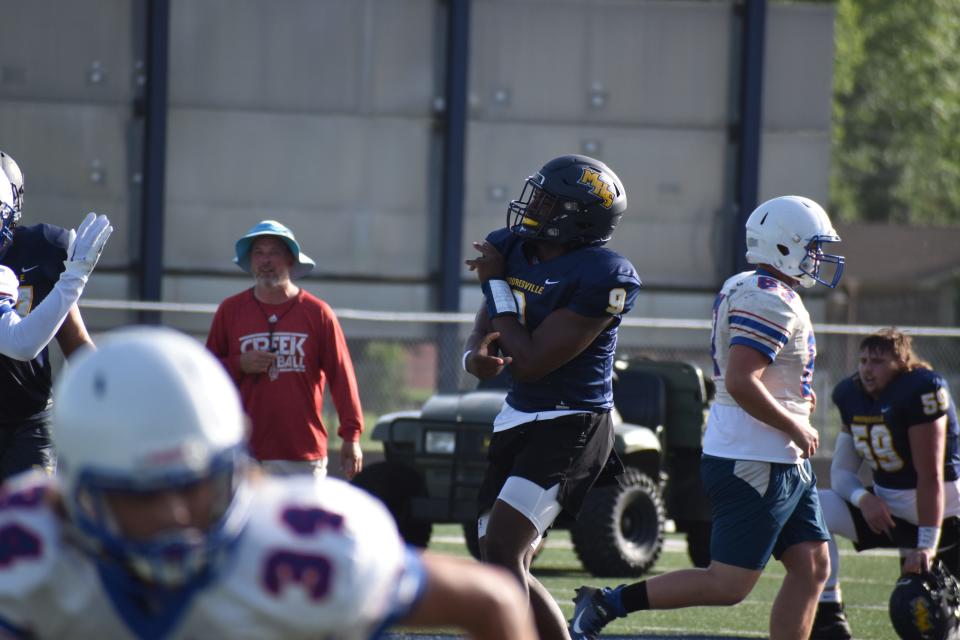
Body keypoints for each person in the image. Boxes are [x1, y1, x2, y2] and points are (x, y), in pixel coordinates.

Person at [0, 327, 539, 640]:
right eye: (138, 493)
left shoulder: (312, 544)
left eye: (192, 485)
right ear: (69, 492)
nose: (174, 515)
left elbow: (491, 601)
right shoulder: (25, 546)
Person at [570, 195, 846, 640]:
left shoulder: (752, 286)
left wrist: (795, 411)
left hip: (778, 456)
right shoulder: (767, 298)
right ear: (783, 246)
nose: (817, 258)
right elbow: (740, 380)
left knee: (813, 565)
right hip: (756, 457)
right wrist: (793, 423)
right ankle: (606, 604)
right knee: (728, 584)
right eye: (811, 247)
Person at [463, 154, 641, 639]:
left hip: (572, 421)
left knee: (503, 547)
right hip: (518, 414)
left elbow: (535, 358)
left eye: (546, 199)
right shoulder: (510, 247)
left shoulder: (606, 273)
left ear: (576, 215)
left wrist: (496, 284)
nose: (532, 205)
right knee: (499, 554)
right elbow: (489, 331)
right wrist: (473, 356)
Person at [809, 328, 960, 640]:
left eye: (877, 361)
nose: (866, 368)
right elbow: (841, 471)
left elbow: (930, 474)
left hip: (946, 517)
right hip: (891, 514)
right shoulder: (852, 396)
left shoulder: (921, 390)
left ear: (901, 363)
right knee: (811, 508)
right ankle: (828, 615)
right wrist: (864, 500)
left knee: (940, 624)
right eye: (863, 360)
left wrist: (926, 544)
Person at [206, 219, 363, 480]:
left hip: (302, 455)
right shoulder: (230, 311)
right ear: (250, 261)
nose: (265, 261)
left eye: (274, 253)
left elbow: (342, 376)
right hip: (245, 454)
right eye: (258, 253)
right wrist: (238, 364)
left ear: (291, 260)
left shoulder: (317, 313)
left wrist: (352, 435)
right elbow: (205, 374)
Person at [0, 150, 111, 482]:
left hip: (29, 420)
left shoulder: (43, 249)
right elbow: (20, 343)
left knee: (33, 524)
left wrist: (110, 389)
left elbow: (75, 340)